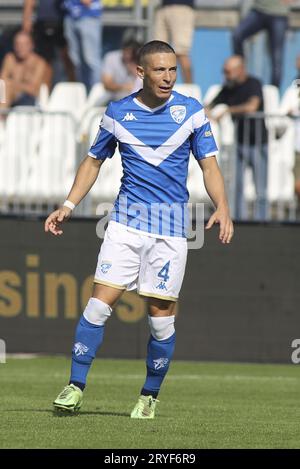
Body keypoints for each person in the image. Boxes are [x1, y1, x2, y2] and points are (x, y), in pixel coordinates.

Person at [45, 40, 233, 418]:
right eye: (160, 70)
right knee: (98, 307)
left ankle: (149, 395)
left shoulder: (191, 112)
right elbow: (93, 160)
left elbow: (209, 166)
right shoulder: (118, 113)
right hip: (125, 226)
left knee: (160, 321)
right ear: (141, 72)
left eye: (173, 70)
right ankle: (74, 386)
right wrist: (67, 205)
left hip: (171, 232)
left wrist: (223, 207)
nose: (167, 77)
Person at [206, 55, 268, 221]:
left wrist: (227, 111)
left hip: (258, 143)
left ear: (240, 69)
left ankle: (263, 222)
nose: (226, 75)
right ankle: (238, 220)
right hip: (239, 143)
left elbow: (252, 106)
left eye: (228, 71)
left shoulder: (254, 84)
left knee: (261, 189)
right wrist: (207, 113)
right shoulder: (228, 88)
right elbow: (208, 105)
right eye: (224, 72)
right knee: (237, 187)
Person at [232, 0, 295, 88]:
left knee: (277, 57)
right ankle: (240, 72)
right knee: (237, 35)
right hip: (258, 11)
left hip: (279, 14)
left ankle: (274, 90)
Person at [22, 0, 75, 89]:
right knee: (45, 61)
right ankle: (45, 92)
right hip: (43, 21)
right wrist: (26, 19)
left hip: (65, 22)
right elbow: (29, 2)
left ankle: (75, 90)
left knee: (68, 58)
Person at [0, 30, 47, 109]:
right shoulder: (10, 58)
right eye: (17, 44)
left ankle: (1, 116)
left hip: (29, 100)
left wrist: (12, 84)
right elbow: (2, 81)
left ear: (31, 45)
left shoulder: (39, 63)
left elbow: (34, 89)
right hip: (9, 97)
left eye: (24, 44)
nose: (20, 47)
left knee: (6, 88)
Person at [63, 0, 102, 91]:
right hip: (70, 15)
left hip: (88, 15)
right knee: (75, 59)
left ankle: (97, 95)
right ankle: (83, 93)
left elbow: (86, 2)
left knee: (91, 59)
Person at [154, 0, 195, 83]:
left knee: (181, 53)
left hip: (181, 7)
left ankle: (189, 89)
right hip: (163, 7)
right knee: (157, 52)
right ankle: (159, 87)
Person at [101, 38, 142, 103]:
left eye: (131, 54)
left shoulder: (142, 61)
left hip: (135, 101)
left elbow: (145, 85)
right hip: (113, 99)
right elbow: (107, 84)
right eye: (126, 52)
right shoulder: (111, 57)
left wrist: (134, 70)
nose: (128, 56)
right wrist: (124, 87)